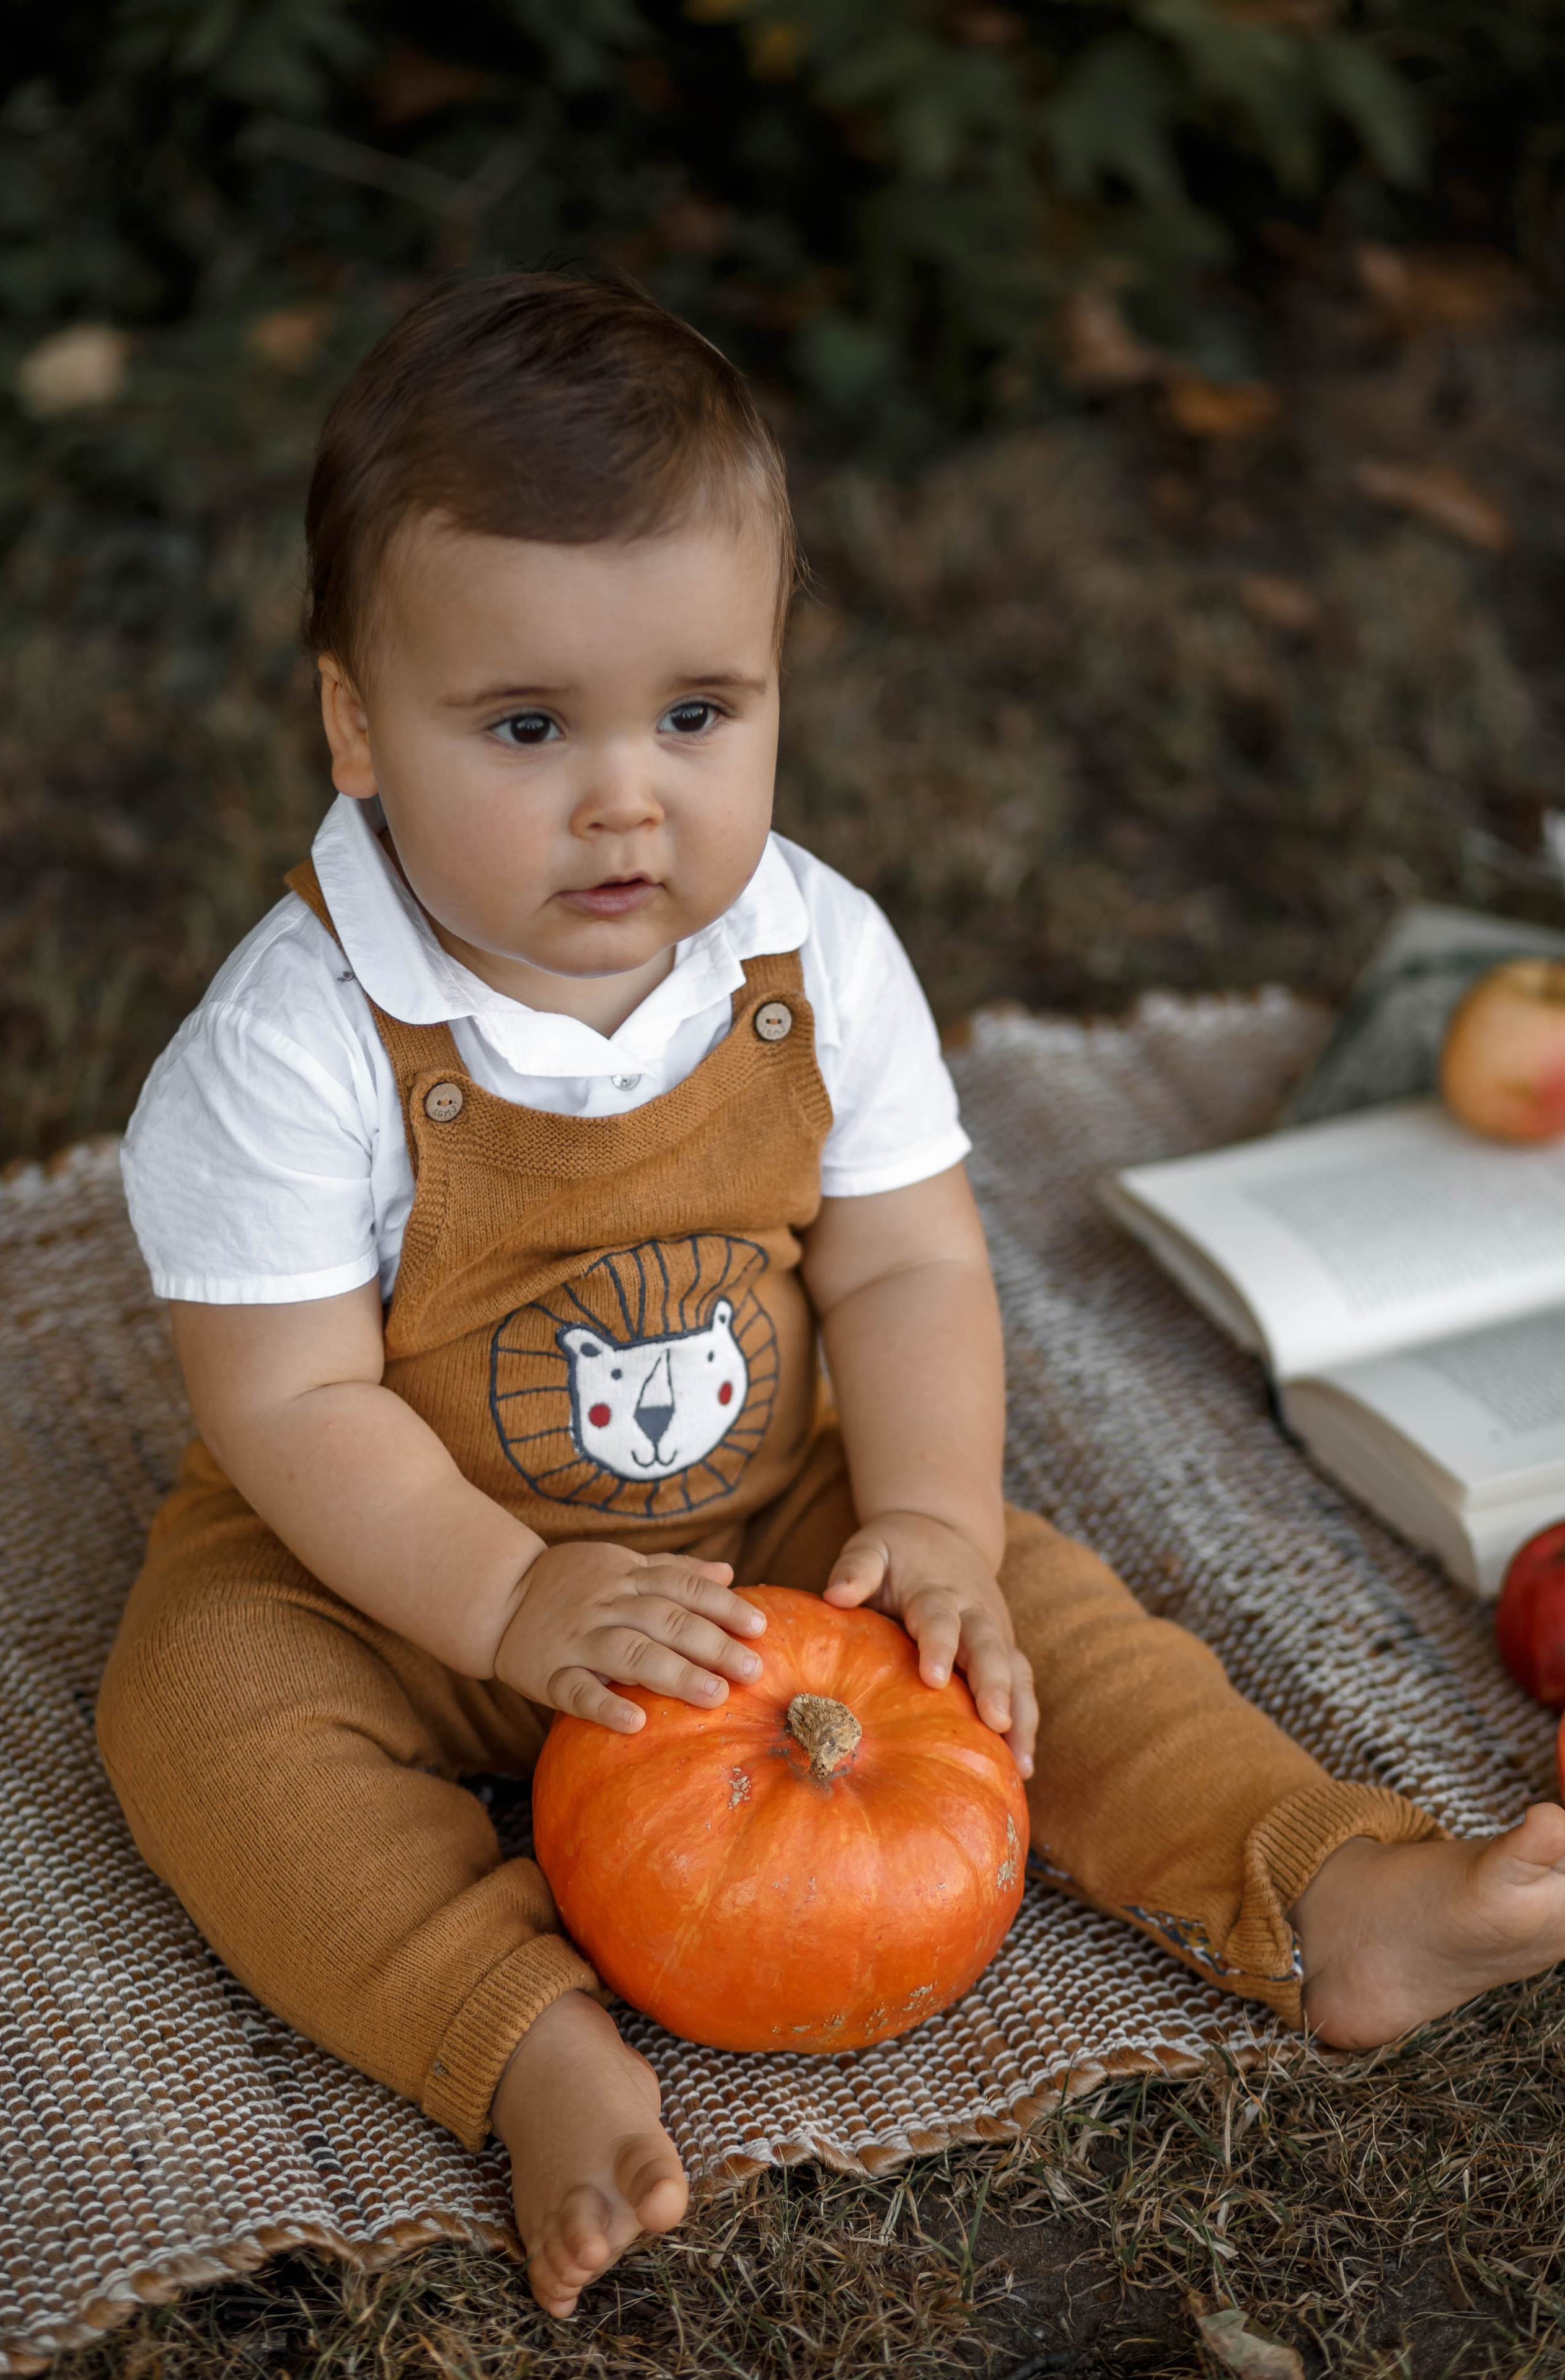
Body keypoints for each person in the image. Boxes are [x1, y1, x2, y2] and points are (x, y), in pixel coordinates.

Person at [98, 273, 1565, 2322]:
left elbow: (899, 1253)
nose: (631, 798)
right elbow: (295, 1405)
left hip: (774, 1514)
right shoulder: (298, 1040)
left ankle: (1330, 1893)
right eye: (528, 728)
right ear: (356, 722)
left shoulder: (813, 954)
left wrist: (941, 1523)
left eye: (699, 716)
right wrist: (516, 1601)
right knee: (202, 1714)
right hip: (402, 1564)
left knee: (1049, 1636)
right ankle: (523, 2044)